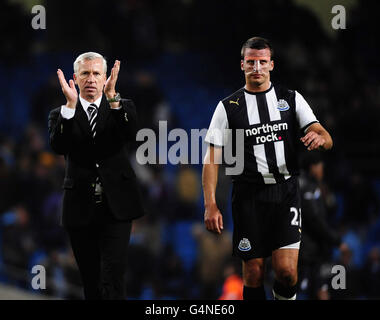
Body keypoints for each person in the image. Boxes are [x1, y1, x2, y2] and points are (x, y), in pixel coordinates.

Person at [202, 37, 333, 300]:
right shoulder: (228, 107)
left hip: (285, 192)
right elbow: (211, 159)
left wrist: (320, 138)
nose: (257, 67)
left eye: (263, 62)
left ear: (271, 64)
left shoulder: (290, 98)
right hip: (248, 197)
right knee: (253, 272)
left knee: (286, 272)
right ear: (242, 65)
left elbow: (325, 136)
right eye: (251, 62)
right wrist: (210, 204)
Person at [48, 52, 145, 299]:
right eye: (85, 73)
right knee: (91, 282)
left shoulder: (122, 106)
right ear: (75, 79)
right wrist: (69, 109)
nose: (91, 79)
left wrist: (114, 100)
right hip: (80, 208)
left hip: (117, 207)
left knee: (113, 277)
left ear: (105, 78)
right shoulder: (59, 115)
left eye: (96, 74)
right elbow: (59, 146)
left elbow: (130, 133)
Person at [298, 152, 348, 300]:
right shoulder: (305, 186)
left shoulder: (317, 186)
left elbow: (331, 210)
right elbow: (314, 220)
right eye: (320, 166)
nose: (322, 170)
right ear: (312, 167)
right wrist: (337, 241)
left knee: (321, 290)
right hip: (307, 252)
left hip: (315, 250)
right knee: (310, 291)